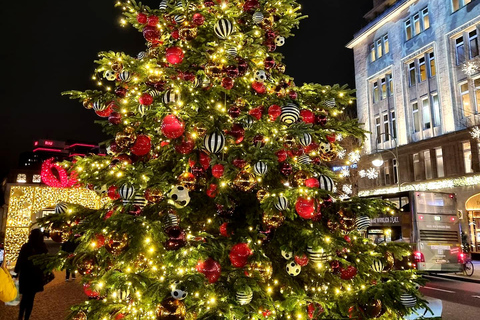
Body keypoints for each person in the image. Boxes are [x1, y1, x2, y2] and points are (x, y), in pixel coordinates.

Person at [14, 229, 48, 320]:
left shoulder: (26, 246)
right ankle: (26, 317)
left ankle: (20, 315)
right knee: (31, 298)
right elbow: (45, 262)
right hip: (36, 276)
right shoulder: (42, 247)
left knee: (24, 297)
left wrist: (16, 272)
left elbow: (20, 260)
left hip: (25, 274)